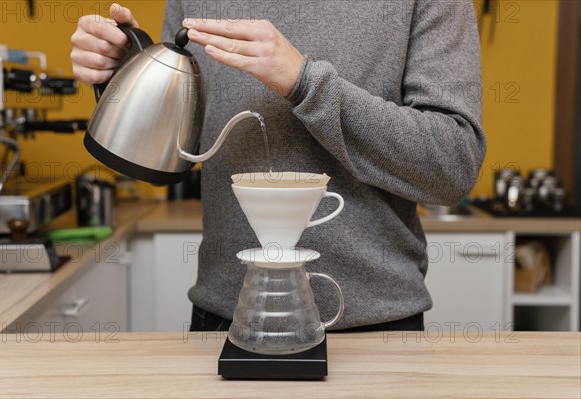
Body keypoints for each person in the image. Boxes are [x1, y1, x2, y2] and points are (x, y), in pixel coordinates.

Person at [71, 1, 486, 332]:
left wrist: (306, 83)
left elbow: (452, 164)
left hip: (378, 328)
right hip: (225, 317)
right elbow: (176, 151)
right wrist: (127, 76)